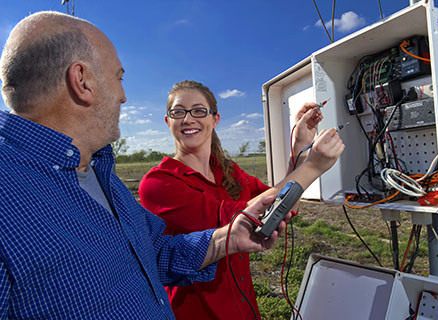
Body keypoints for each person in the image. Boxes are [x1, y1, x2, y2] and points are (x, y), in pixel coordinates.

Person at [0, 12, 290, 319]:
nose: (124, 97)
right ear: (82, 80)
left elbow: (153, 253)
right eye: (118, 78)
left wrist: (225, 239)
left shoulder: (100, 174)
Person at [139, 80, 345, 319]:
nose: (188, 119)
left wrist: (300, 144)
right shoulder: (158, 183)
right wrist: (312, 167)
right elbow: (247, 219)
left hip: (243, 308)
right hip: (198, 312)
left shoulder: (229, 171)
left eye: (198, 110)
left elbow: (284, 204)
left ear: (215, 119)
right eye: (178, 112)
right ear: (168, 121)